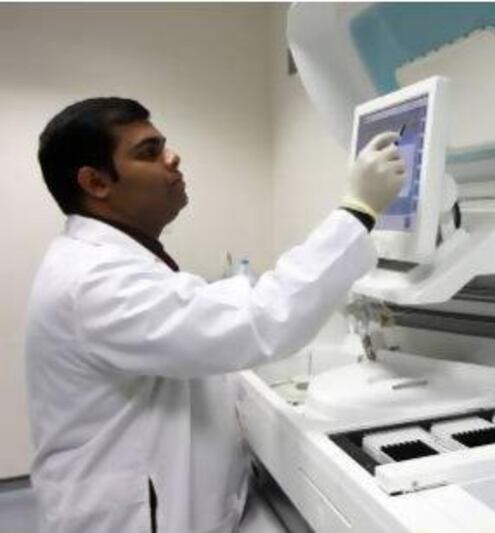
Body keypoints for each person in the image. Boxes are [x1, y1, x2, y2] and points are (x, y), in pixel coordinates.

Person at [25, 97, 405, 533]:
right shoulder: (94, 281)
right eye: (148, 153)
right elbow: (259, 320)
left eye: (164, 145)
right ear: (95, 182)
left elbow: (207, 323)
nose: (173, 157)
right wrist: (358, 211)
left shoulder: (111, 261)